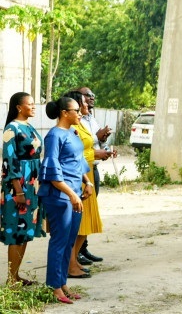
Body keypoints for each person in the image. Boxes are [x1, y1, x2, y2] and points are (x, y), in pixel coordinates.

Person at [39, 96, 92, 304]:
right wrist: (70, 194)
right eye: (76, 110)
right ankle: (54, 287)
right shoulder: (54, 136)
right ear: (64, 113)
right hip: (60, 196)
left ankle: (62, 283)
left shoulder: (72, 132)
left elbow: (78, 161)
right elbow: (52, 171)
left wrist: (87, 182)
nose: (80, 113)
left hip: (75, 194)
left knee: (69, 241)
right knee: (60, 241)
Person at [1, 92, 45, 286]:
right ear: (19, 107)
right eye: (31, 104)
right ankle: (11, 280)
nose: (34, 107)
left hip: (31, 184)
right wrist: (18, 191)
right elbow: (9, 162)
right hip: (18, 185)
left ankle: (16, 275)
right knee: (16, 232)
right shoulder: (12, 128)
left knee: (25, 230)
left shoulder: (29, 126)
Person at [63, 91, 103, 279]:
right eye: (80, 105)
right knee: (76, 225)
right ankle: (69, 263)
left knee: (84, 225)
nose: (83, 108)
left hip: (86, 176)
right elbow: (71, 157)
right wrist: (95, 155)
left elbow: (82, 152)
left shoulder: (82, 123)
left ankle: (73, 261)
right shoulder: (65, 131)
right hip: (76, 178)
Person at [76, 86, 112, 264]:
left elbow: (93, 141)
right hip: (80, 172)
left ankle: (83, 248)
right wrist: (96, 148)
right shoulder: (74, 122)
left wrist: (102, 139)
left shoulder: (91, 118)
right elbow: (78, 149)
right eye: (87, 96)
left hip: (92, 170)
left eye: (92, 95)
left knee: (89, 212)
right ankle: (74, 255)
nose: (91, 99)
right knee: (80, 213)